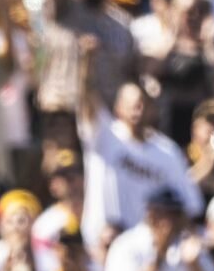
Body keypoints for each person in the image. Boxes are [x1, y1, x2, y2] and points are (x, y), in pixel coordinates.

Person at [76, 35, 202, 248]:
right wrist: (87, 64)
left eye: (144, 104)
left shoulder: (167, 151)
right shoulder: (105, 135)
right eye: (133, 104)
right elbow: (86, 101)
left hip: (145, 249)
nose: (138, 109)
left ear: (154, 110)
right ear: (118, 107)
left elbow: (189, 203)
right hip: (101, 244)